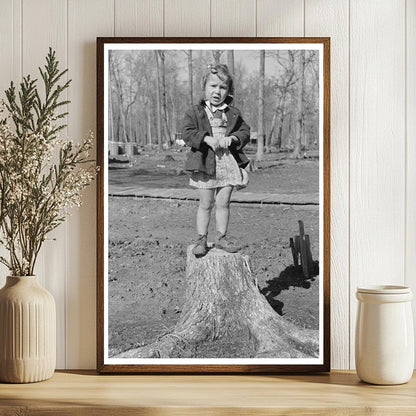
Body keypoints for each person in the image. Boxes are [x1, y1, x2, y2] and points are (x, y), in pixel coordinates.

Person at [181, 64, 250, 257]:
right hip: (205, 162)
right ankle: (202, 238)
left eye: (222, 87)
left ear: (228, 90)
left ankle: (221, 237)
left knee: (224, 202)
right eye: (213, 86)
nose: (217, 91)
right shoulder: (195, 112)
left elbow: (245, 131)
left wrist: (234, 138)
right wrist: (205, 138)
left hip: (227, 162)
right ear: (204, 87)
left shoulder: (232, 113)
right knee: (206, 203)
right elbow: (187, 132)